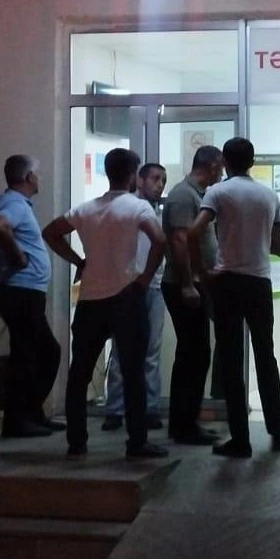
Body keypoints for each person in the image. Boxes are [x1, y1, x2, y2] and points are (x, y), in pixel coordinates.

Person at [42, 148, 168, 461]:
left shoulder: (86, 209)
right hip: (127, 296)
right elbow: (160, 241)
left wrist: (79, 261)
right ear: (133, 176)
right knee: (134, 371)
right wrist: (144, 278)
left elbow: (51, 232)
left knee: (79, 373)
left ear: (109, 172)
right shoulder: (137, 207)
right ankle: (137, 441)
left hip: (90, 300)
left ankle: (76, 441)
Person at [186, 137, 280, 458]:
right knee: (266, 355)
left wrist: (202, 271)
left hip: (227, 282)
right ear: (252, 162)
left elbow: (193, 231)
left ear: (225, 163)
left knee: (231, 359)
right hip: (259, 282)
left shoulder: (217, 192)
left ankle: (240, 440)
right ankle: (277, 428)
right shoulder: (269, 195)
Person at [0, 155, 63, 439]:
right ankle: (18, 420)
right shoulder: (14, 203)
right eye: (38, 174)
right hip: (20, 291)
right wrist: (18, 257)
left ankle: (31, 414)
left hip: (26, 292)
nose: (40, 178)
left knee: (39, 353)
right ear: (29, 177)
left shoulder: (18, 203)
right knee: (32, 355)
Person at [162, 145, 224, 445]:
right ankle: (183, 426)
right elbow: (179, 241)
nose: (221, 173)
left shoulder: (198, 195)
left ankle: (187, 421)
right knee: (192, 355)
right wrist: (188, 284)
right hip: (183, 285)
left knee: (197, 355)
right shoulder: (183, 196)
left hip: (196, 283)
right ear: (211, 166)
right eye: (220, 168)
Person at [100, 162, 169, 432]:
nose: (159, 185)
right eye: (155, 178)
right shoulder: (127, 209)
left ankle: (149, 408)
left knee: (151, 351)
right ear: (139, 180)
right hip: (127, 286)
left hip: (154, 286)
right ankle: (115, 409)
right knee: (121, 350)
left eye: (163, 180)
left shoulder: (159, 213)